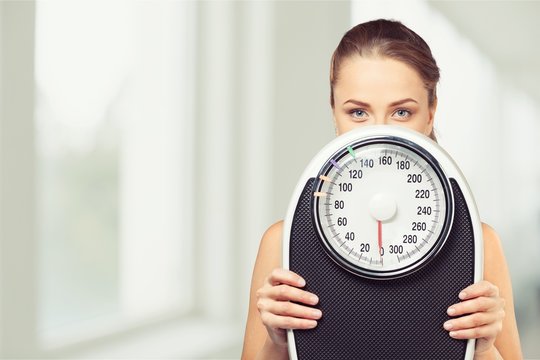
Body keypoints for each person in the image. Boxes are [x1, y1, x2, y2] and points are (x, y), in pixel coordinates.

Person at [241, 19, 522, 360]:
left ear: (431, 113)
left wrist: (484, 348)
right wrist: (278, 342)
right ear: (334, 112)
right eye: (358, 112)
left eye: (402, 112)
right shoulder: (284, 242)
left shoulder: (478, 242)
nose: (380, 135)